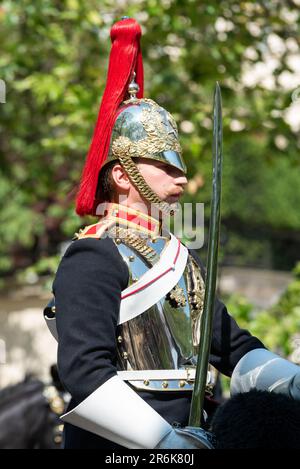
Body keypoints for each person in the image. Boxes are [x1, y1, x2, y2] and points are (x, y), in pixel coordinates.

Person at [45, 18, 300, 449]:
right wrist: (165, 443)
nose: (180, 181)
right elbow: (86, 371)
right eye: (164, 167)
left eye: (179, 169)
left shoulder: (181, 256)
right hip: (124, 445)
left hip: (198, 434)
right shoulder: (93, 255)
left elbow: (233, 349)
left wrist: (293, 381)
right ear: (123, 176)